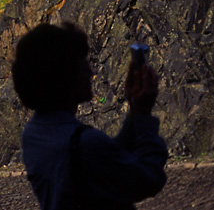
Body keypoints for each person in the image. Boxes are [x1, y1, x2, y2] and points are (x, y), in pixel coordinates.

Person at [12, 22, 167, 210]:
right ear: (66, 76)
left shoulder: (33, 134)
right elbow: (148, 179)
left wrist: (134, 111)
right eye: (83, 65)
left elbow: (106, 158)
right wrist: (143, 115)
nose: (90, 72)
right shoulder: (84, 143)